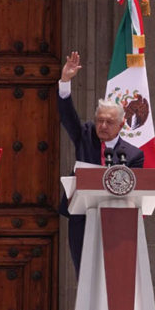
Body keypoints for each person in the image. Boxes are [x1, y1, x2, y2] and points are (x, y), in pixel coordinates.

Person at [58, 51, 145, 275]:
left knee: (113, 278)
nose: (103, 126)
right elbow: (68, 118)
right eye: (100, 120)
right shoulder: (85, 135)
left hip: (117, 225)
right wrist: (65, 82)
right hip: (82, 220)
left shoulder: (134, 155)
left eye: (109, 122)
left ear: (121, 124)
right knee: (84, 276)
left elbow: (135, 194)